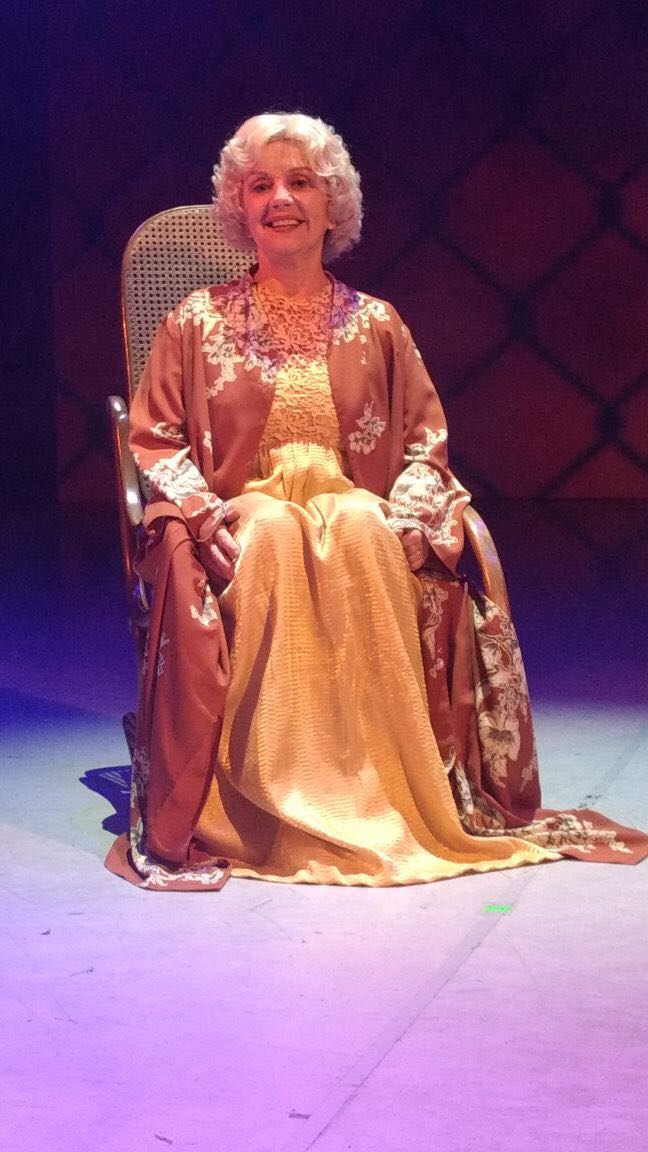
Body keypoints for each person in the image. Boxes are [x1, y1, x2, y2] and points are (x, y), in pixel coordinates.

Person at [106, 112, 648, 890]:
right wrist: (198, 512)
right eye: (260, 185)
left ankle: (377, 796)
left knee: (364, 527)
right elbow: (153, 438)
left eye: (300, 183)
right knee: (269, 537)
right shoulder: (195, 320)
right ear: (239, 207)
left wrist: (413, 513)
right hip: (240, 503)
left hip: (348, 496)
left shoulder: (378, 322)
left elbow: (427, 443)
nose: (280, 199)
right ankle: (266, 804)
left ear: (332, 206)